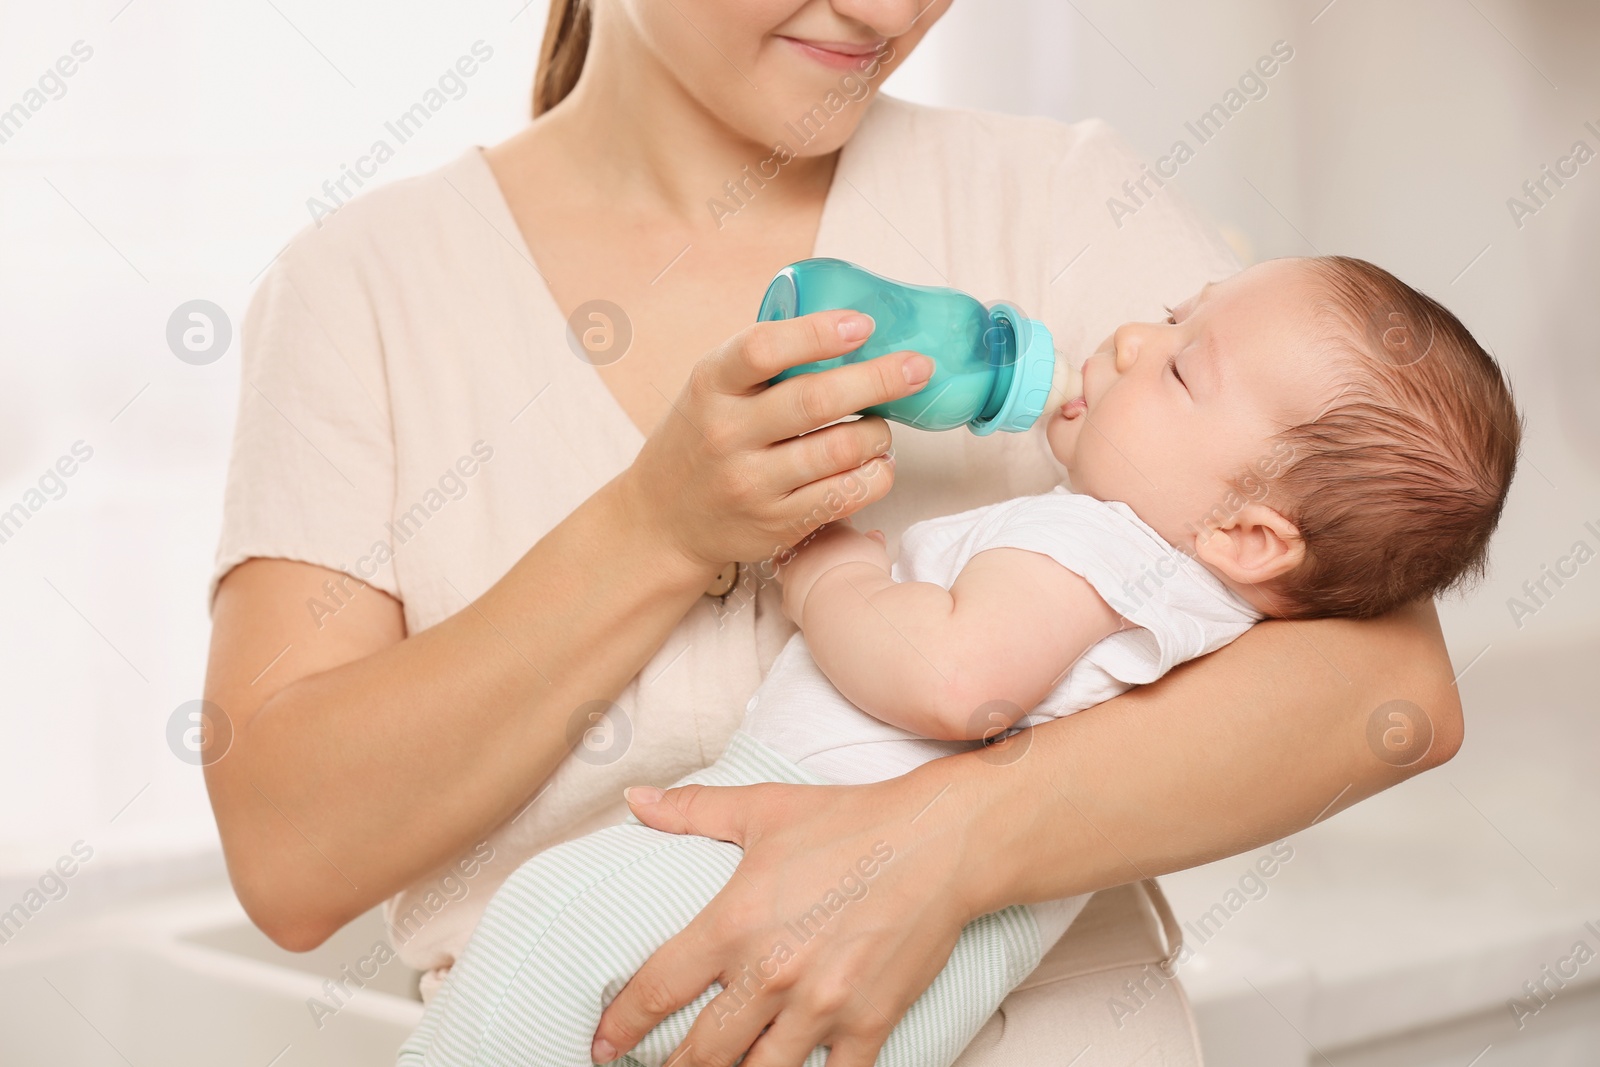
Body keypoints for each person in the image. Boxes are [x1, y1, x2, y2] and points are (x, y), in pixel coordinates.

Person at [202, 2, 1466, 1064]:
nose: (882, 10)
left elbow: (1390, 685)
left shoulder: (1054, 199)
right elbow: (293, 853)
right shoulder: (364, 289)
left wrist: (944, 849)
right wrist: (657, 527)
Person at [389, 254, 1518, 1066]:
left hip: (797, 857)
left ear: (1250, 535)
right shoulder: (1213, 604)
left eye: (1180, 367)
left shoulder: (1091, 543)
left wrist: (829, 574)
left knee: (545, 927)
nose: (1133, 339)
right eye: (1173, 314)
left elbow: (958, 682)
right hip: (935, 975)